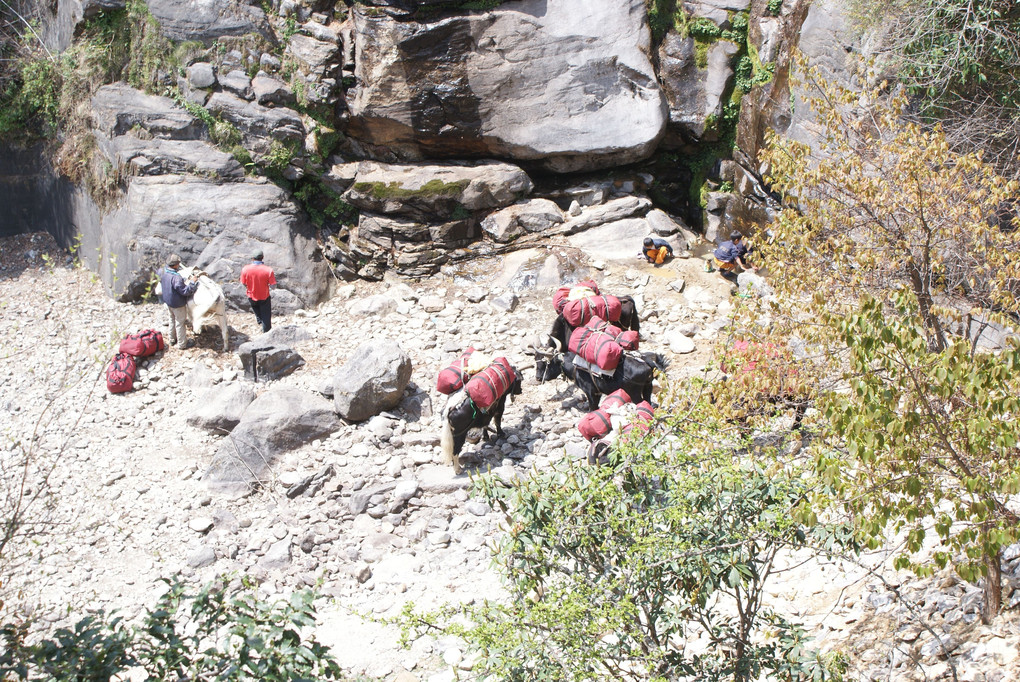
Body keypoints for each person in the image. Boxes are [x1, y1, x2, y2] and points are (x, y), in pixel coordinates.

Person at [160, 254, 199, 349]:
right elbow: (185, 291)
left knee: (171, 320)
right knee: (180, 323)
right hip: (178, 304)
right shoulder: (176, 277)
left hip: (169, 302)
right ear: (176, 265)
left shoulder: (164, 272)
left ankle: (172, 339)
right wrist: (193, 282)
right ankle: (182, 344)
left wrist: (183, 280)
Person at [240, 249, 276, 333]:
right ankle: (266, 332)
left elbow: (243, 283)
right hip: (264, 296)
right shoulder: (268, 270)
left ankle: (260, 322)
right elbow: (273, 286)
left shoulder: (245, 269)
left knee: (256, 309)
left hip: (251, 296)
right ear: (262, 258)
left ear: (252, 258)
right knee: (266, 315)